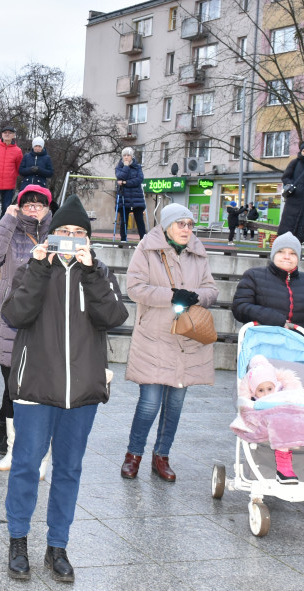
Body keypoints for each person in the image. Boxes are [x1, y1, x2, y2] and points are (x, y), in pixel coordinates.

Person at [2, 195, 129, 583]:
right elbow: (15, 314)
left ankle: (58, 546)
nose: (71, 238)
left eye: (78, 233)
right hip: (36, 387)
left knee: (69, 470)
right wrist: (40, 267)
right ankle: (18, 540)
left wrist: (91, 275)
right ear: (51, 235)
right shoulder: (31, 268)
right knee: (26, 466)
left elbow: (114, 317)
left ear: (88, 240)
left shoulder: (100, 272)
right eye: (63, 232)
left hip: (82, 392)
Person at [121, 204, 218, 482]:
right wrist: (172, 295)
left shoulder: (198, 253)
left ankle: (162, 456)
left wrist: (196, 297)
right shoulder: (146, 249)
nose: (187, 229)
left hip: (188, 338)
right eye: (181, 224)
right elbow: (135, 288)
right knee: (150, 402)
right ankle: (133, 454)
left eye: (190, 224)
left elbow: (212, 289)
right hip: (154, 336)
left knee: (175, 404)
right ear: (166, 226)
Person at [0, 185, 52, 471]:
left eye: (39, 204)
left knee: (36, 385)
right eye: (27, 204)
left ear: (48, 208)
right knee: (12, 384)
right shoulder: (10, 230)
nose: (33, 208)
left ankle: (35, 445)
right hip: (11, 313)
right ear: (19, 207)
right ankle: (10, 444)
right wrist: (7, 221)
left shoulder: (55, 232)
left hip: (45, 316)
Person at [232, 355, 304, 486]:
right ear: (254, 392)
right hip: (275, 424)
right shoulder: (256, 402)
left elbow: (297, 400)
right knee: (280, 425)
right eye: (261, 390)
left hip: (295, 422)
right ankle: (284, 469)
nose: (267, 394)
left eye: (269, 389)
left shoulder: (286, 394)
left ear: (276, 385)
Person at [232, 232, 304, 358]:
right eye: (281, 251)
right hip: (261, 350)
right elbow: (240, 307)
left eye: (292, 253)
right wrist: (273, 319)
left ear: (298, 257)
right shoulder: (254, 276)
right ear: (273, 254)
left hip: (299, 353)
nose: (287, 256)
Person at [115, 147, 147, 242]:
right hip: (124, 197)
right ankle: (123, 240)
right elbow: (120, 176)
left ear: (132, 156)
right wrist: (126, 166)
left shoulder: (138, 167)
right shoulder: (119, 167)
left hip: (136, 197)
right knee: (123, 220)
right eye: (124, 155)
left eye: (128, 155)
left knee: (139, 220)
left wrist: (125, 183)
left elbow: (139, 180)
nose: (126, 157)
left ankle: (143, 240)